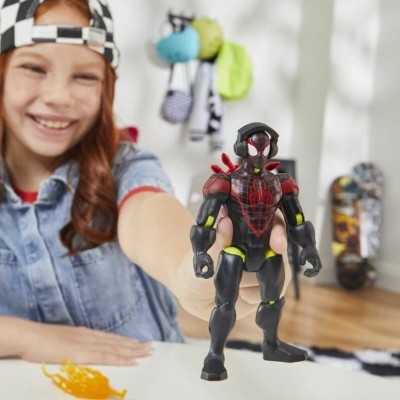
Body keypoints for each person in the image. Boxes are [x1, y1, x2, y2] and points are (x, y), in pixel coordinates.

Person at [0, 0, 288, 366]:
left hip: (143, 380)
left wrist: (189, 271)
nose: (59, 97)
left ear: (106, 89)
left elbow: (148, 212)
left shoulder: (127, 167)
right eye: (33, 68)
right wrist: (26, 337)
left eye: (85, 76)